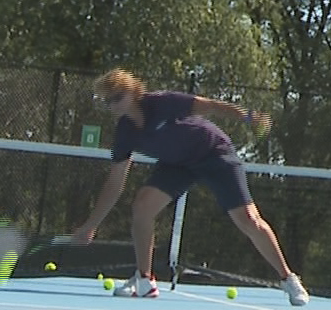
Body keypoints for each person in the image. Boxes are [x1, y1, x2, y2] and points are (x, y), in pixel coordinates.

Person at [72, 69, 310, 306]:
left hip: (214, 153)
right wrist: (89, 226)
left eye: (117, 97)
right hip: (177, 165)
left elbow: (210, 106)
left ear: (133, 91)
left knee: (248, 219)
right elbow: (115, 182)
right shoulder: (124, 133)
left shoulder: (162, 102)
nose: (113, 104)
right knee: (142, 207)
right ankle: (144, 280)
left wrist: (248, 117)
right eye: (108, 101)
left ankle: (288, 278)